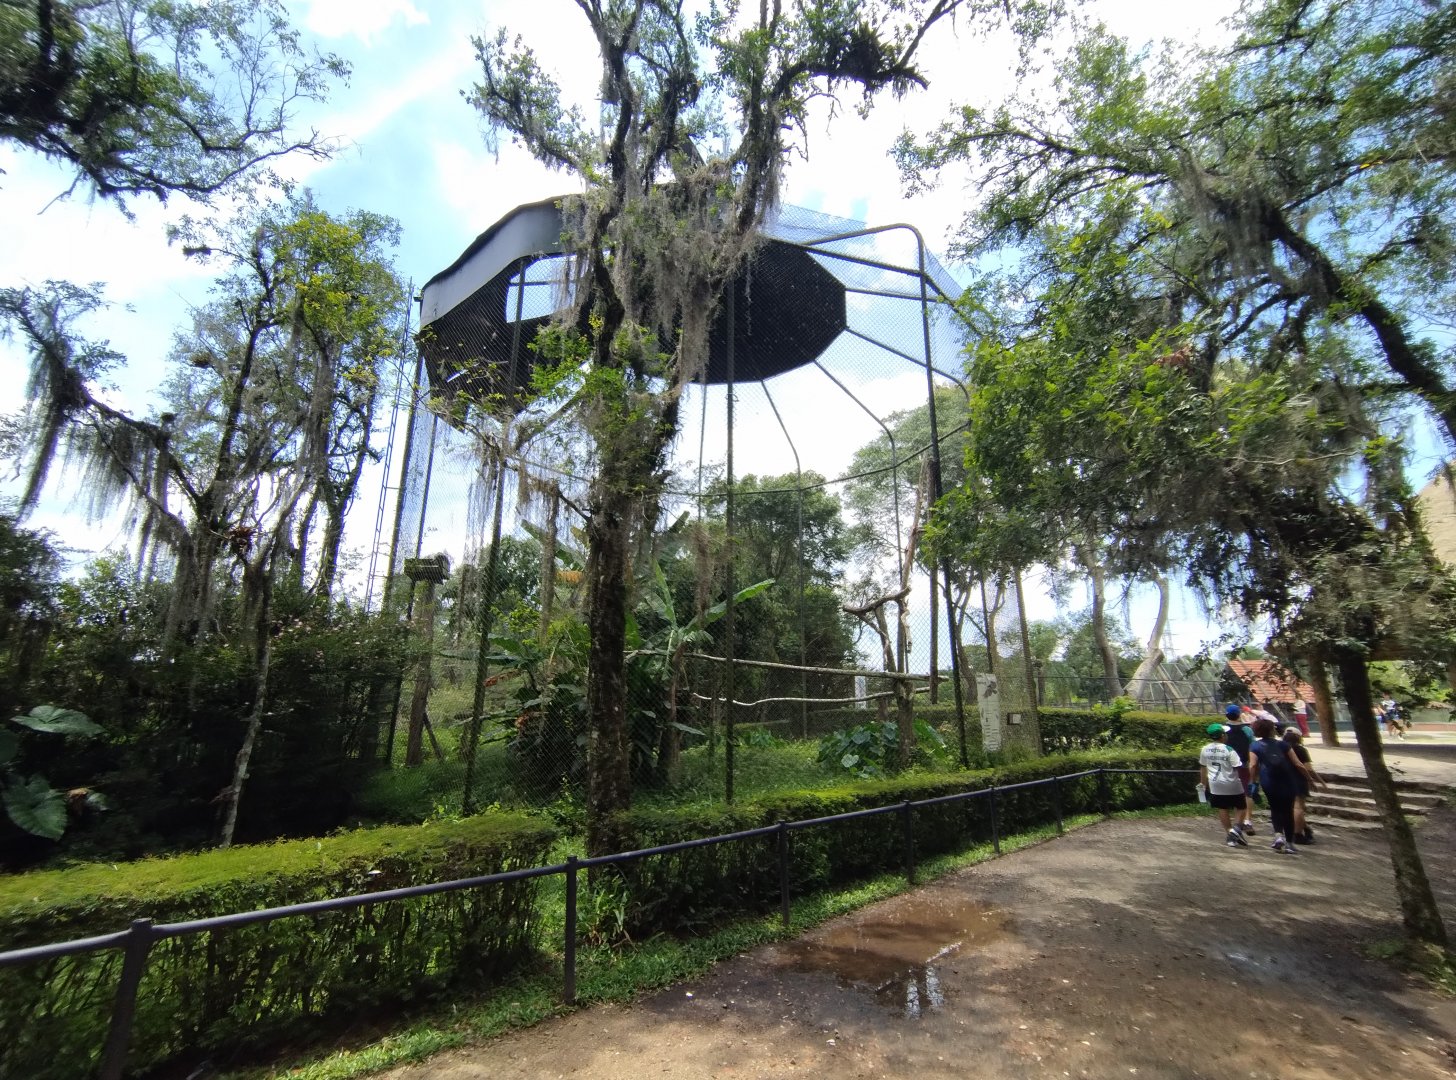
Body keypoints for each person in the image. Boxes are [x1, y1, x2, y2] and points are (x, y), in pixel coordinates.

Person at [1249, 717, 1314, 854]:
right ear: (1272, 730)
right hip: (1287, 780)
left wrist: (1252, 781)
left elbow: (1253, 765)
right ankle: (1290, 843)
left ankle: (1278, 836)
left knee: (1275, 808)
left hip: (1268, 780)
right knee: (1287, 810)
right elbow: (1298, 764)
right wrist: (1309, 779)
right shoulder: (1284, 745)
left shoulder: (1254, 746)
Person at [1199, 723, 1250, 847]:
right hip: (1232, 782)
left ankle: (1229, 833)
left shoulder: (1205, 749)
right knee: (1241, 807)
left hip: (1215, 783)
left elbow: (1203, 768)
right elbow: (1238, 766)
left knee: (1223, 808)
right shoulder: (1229, 749)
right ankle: (1236, 829)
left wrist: (1203, 784)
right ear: (1222, 735)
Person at [1282, 726, 1325, 844]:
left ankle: (1303, 828)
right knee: (1298, 808)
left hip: (1281, 781)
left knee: (1289, 808)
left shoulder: (1279, 748)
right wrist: (1316, 780)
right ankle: (1297, 834)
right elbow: (1308, 768)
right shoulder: (1300, 750)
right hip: (1297, 780)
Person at [1220, 703, 1257, 834]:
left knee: (1226, 795)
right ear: (1239, 715)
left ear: (1226, 715)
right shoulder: (1246, 730)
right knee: (1247, 792)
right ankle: (1247, 821)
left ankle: (1233, 825)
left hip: (1226, 766)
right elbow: (1252, 746)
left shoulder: (1222, 729)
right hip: (1243, 764)